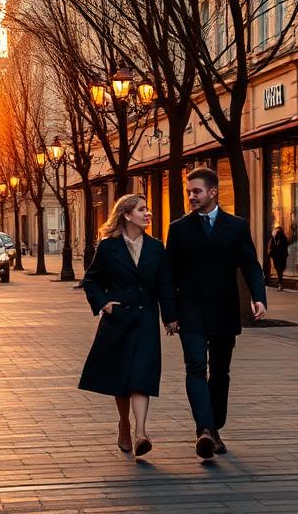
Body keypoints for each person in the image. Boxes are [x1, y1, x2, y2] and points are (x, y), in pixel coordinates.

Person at [164, 167, 267, 459]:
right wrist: (170, 313)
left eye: (196, 191)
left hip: (224, 311)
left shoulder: (236, 226)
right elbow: (169, 274)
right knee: (196, 368)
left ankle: (215, 426)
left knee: (220, 372)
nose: (191, 197)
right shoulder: (180, 228)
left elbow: (250, 265)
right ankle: (205, 430)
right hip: (190, 311)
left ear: (212, 192)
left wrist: (259, 298)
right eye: (188, 192)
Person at [77, 194, 178, 460]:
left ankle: (141, 434)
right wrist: (103, 304)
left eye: (148, 209)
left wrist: (170, 317)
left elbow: (165, 284)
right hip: (118, 319)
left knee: (141, 376)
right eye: (142, 209)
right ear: (126, 214)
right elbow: (91, 281)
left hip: (145, 319)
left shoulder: (157, 247)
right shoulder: (109, 247)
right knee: (122, 379)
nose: (148, 214)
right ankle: (125, 423)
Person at [268, 226, 290, 290]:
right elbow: (273, 247)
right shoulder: (276, 238)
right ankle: (280, 284)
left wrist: (272, 253)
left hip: (279, 257)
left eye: (276, 230)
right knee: (279, 270)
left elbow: (275, 248)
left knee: (279, 270)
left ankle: (280, 284)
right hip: (279, 257)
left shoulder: (279, 238)